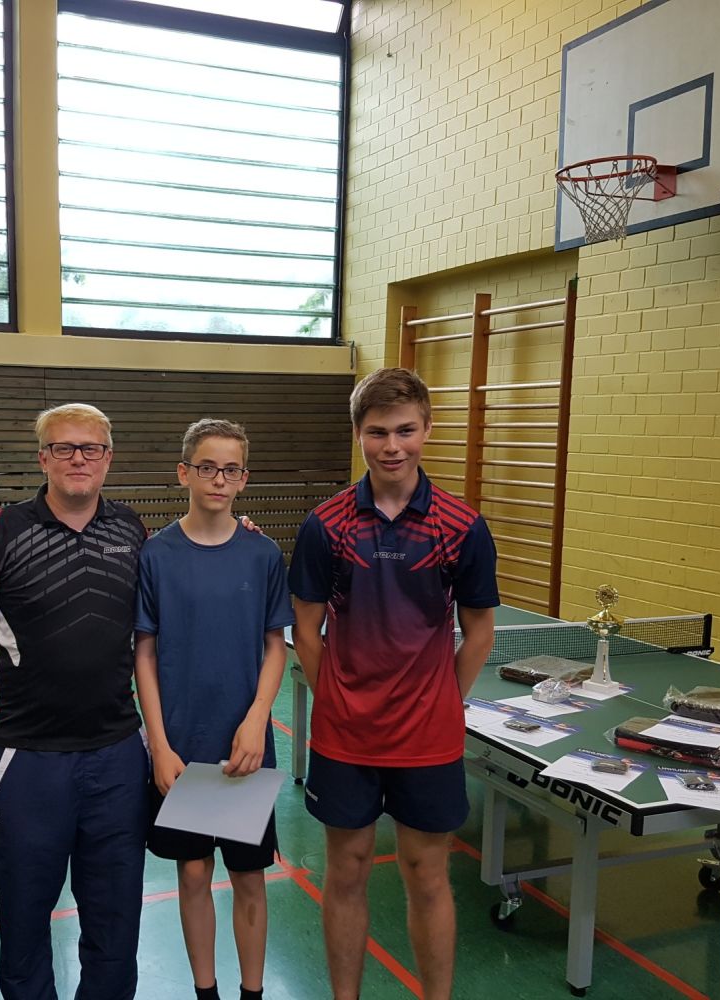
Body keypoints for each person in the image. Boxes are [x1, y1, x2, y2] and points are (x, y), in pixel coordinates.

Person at [288, 367, 499, 1000]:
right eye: (378, 432)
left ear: (427, 429)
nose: (392, 446)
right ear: (359, 433)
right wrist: (336, 701)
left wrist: (443, 702)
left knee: (426, 875)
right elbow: (306, 629)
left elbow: (479, 632)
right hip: (345, 739)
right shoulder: (325, 525)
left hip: (428, 740)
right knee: (346, 871)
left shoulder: (462, 526)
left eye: (406, 430)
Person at [0, 403, 150, 1000]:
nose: (78, 458)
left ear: (108, 458)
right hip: (29, 757)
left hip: (117, 755)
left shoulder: (132, 530)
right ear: (43, 458)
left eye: (91, 448)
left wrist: (240, 530)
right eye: (64, 448)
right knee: (24, 918)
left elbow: (186, 573)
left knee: (115, 920)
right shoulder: (3, 530)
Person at [133, 419, 293, 1000]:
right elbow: (144, 652)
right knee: (194, 872)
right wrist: (159, 744)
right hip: (182, 748)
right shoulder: (156, 554)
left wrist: (257, 719)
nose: (218, 479)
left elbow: (276, 645)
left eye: (230, 469)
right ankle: (206, 992)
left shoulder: (262, 553)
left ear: (244, 479)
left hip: (246, 748)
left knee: (249, 879)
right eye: (207, 467)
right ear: (185, 473)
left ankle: (252, 992)